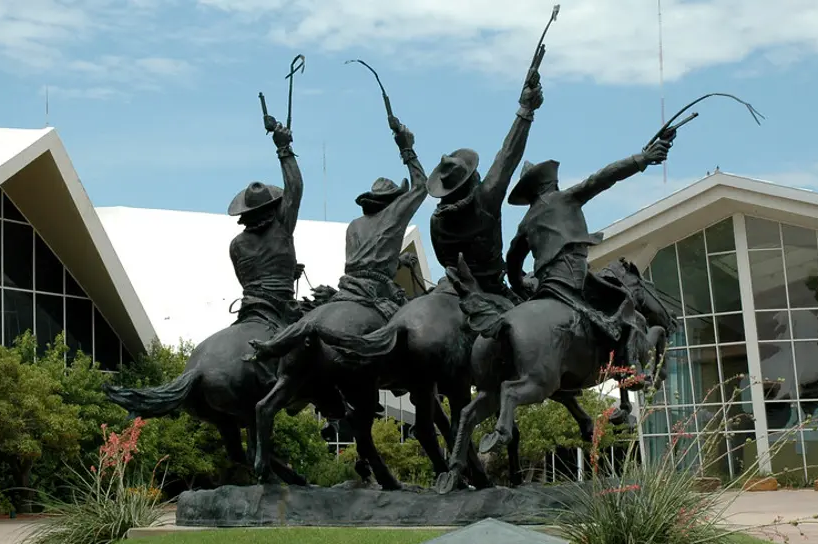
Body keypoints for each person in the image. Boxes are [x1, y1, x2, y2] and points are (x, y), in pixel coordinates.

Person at [249, 115, 426, 360]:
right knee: (412, 329)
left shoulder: (354, 226)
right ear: (394, 200)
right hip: (376, 291)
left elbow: (367, 262)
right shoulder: (393, 215)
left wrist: (399, 260)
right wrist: (406, 146)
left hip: (348, 288)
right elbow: (421, 186)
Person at [500, 131, 676, 355]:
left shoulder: (525, 223)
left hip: (545, 284)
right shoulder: (565, 198)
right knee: (624, 309)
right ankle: (631, 364)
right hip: (573, 277)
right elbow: (603, 177)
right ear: (547, 183)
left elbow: (512, 260)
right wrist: (642, 158)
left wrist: (521, 285)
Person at [426, 72, 544, 301]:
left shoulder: (436, 219)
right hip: (488, 288)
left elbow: (443, 259)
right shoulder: (484, 200)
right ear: (470, 179)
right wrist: (526, 110)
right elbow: (507, 157)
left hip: (452, 283)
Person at [226, 117, 303, 327]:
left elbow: (248, 280)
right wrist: (284, 148)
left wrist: (289, 270)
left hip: (251, 305)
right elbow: (294, 189)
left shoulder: (236, 244)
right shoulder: (282, 227)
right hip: (280, 304)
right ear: (272, 207)